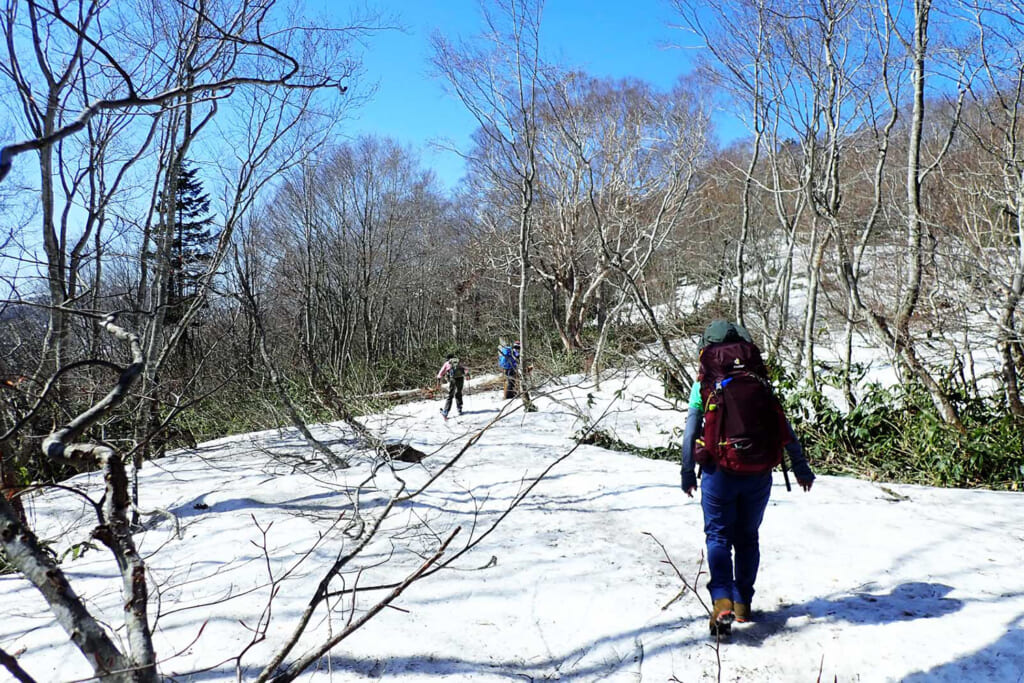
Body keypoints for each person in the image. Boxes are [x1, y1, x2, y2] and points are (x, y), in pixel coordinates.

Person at [679, 320, 814, 635]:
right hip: (759, 471)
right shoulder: (757, 378)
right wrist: (800, 465)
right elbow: (783, 425)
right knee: (747, 537)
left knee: (718, 537)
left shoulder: (705, 382)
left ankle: (722, 600)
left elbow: (690, 430)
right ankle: (742, 604)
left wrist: (687, 471)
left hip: (718, 472)